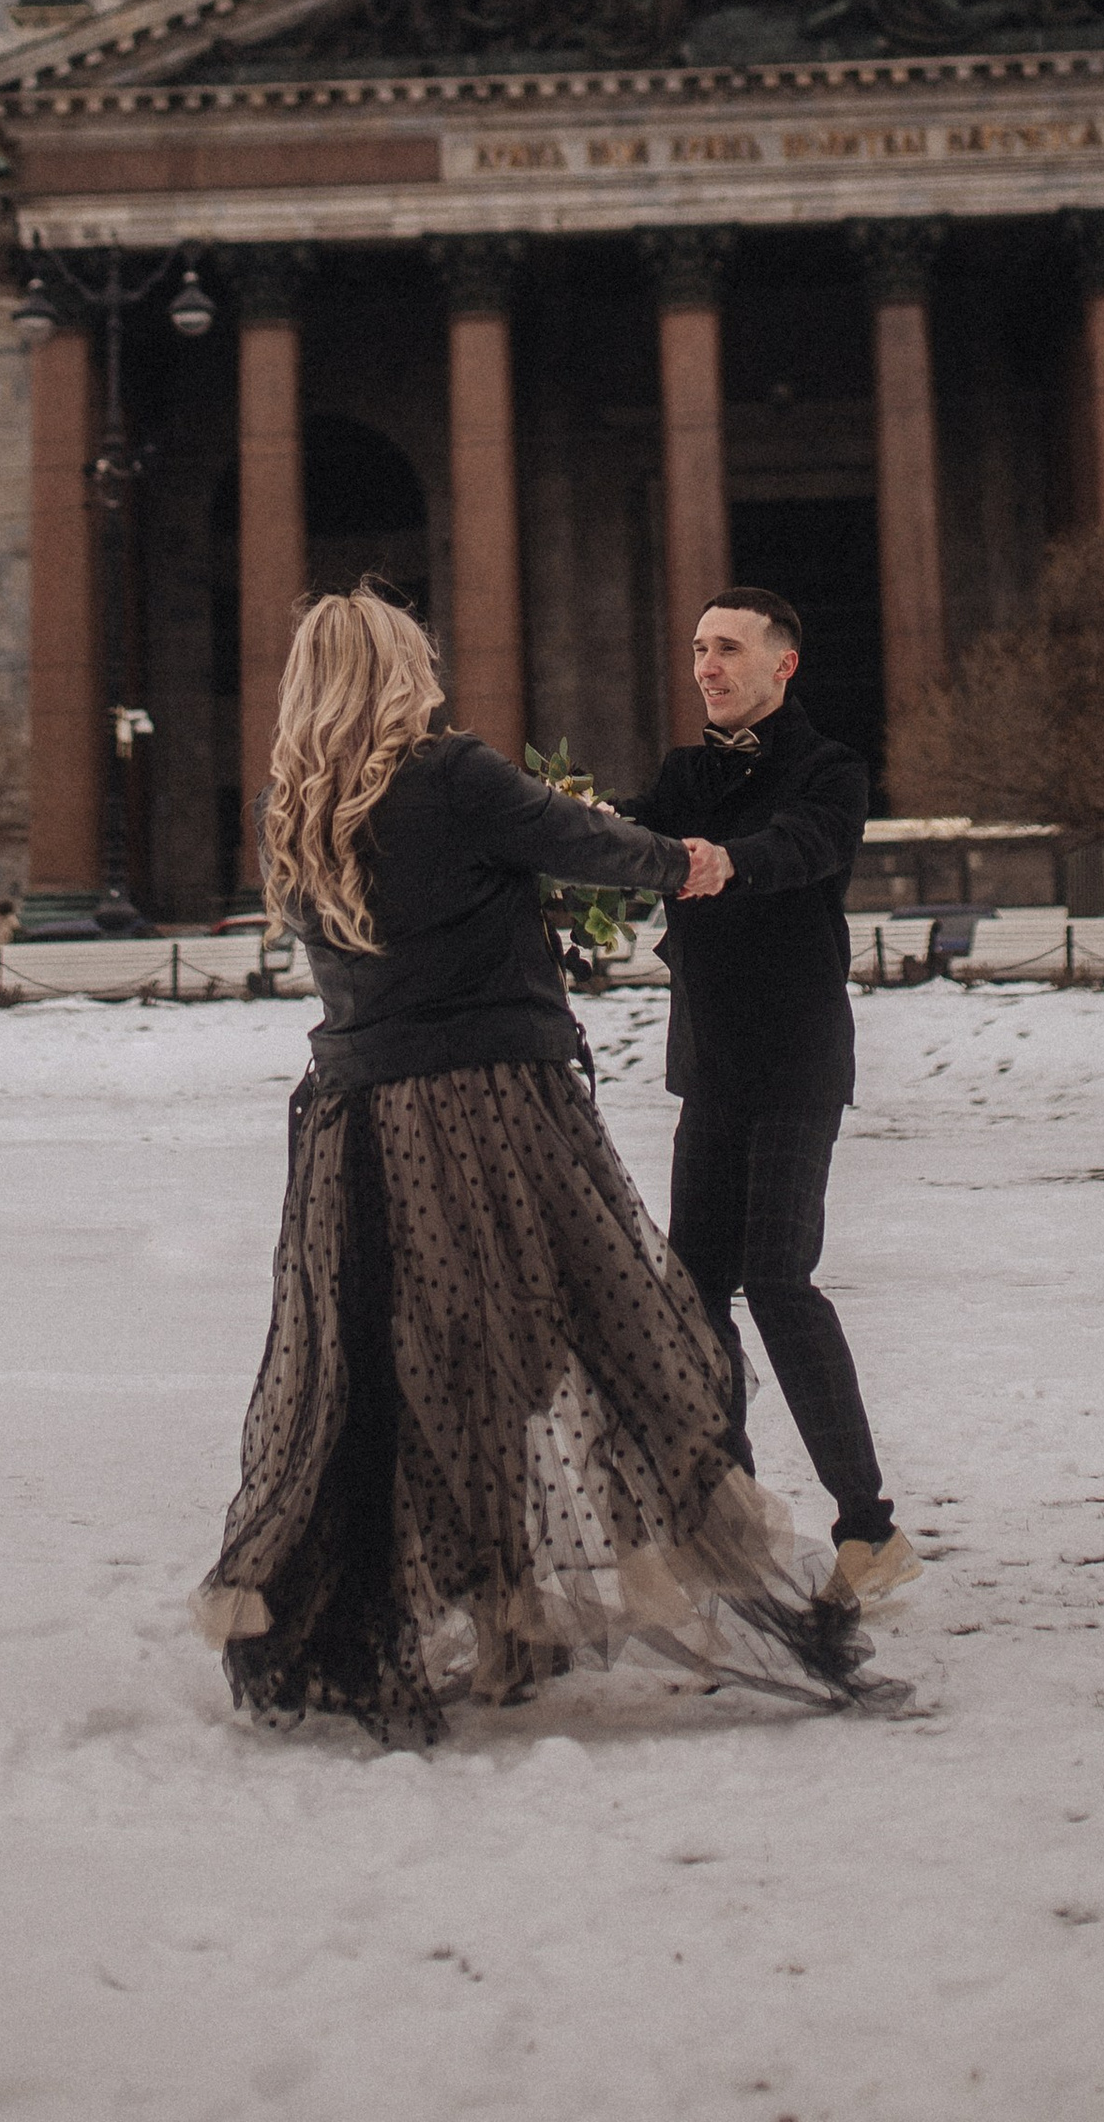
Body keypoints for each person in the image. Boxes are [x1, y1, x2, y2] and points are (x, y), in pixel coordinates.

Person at [196, 589, 875, 1741]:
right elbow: (593, 847)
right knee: (626, 1344)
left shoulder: (290, 801)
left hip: (354, 1125)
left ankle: (445, 1618)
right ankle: (738, 1577)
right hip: (490, 1111)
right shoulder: (452, 774)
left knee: (398, 1375)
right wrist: (694, 863)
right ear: (399, 669)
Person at [634, 589, 917, 1616]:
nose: (707, 666)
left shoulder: (828, 769)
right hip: (711, 1065)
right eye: (698, 647)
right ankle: (730, 1507)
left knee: (778, 1277)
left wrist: (723, 860)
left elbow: (805, 848)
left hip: (797, 1061)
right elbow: (629, 844)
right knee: (691, 1287)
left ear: (780, 665)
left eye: (728, 649)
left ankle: (868, 1531)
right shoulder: (681, 776)